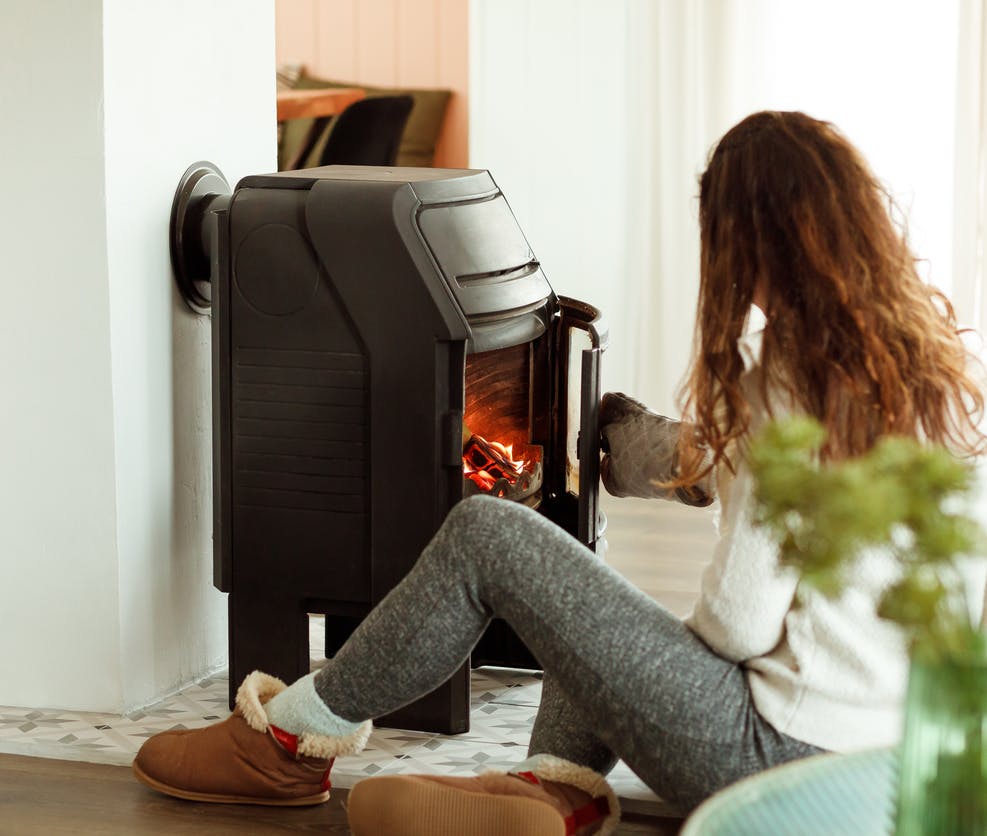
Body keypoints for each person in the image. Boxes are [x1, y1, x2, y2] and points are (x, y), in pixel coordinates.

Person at [131, 111, 987, 836]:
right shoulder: (932, 367)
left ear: (749, 243)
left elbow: (736, 625)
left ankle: (283, 745)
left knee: (487, 529)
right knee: (582, 595)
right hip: (884, 768)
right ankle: (554, 790)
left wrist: (637, 643)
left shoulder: (793, 376)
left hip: (771, 763)